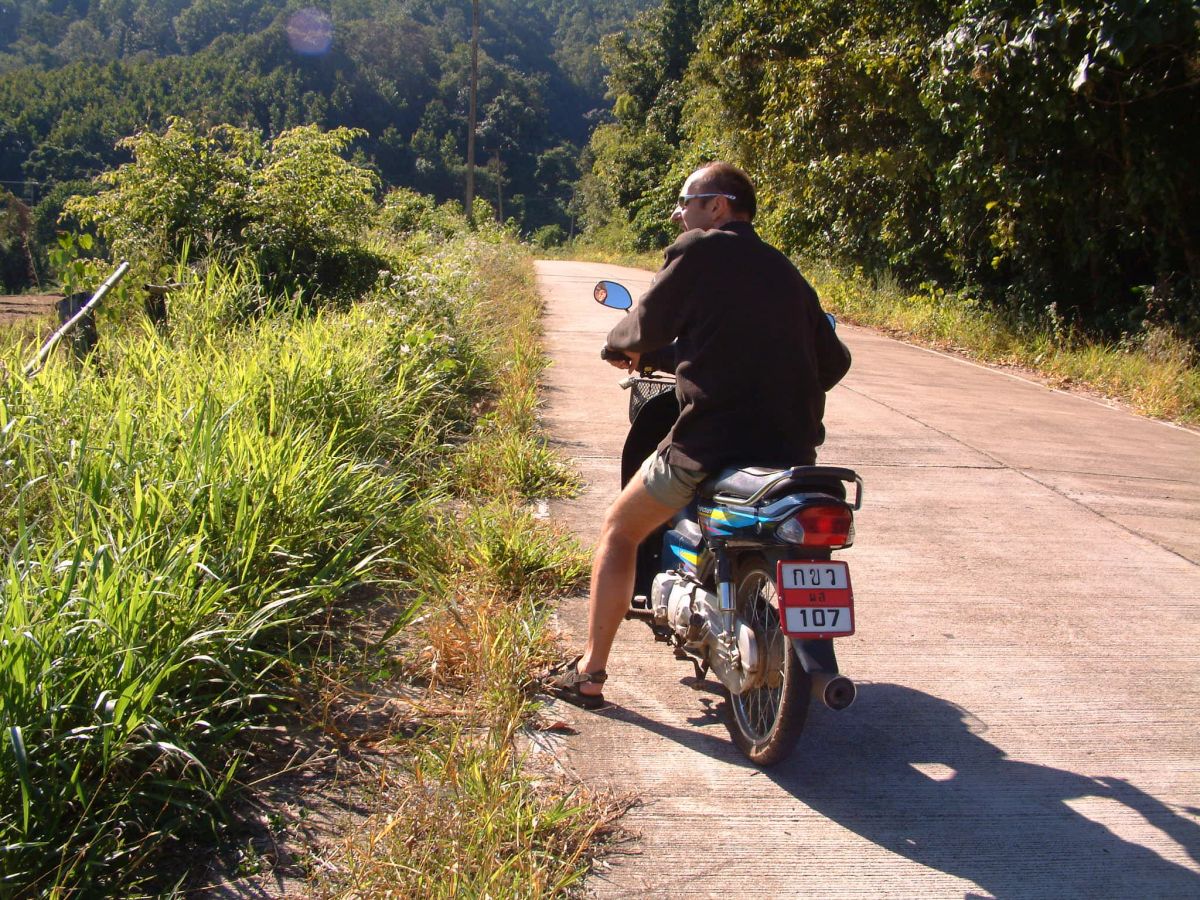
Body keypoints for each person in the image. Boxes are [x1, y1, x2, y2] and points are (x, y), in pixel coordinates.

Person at [543, 161, 851, 709]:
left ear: (719, 204)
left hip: (710, 444)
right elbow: (833, 361)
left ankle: (589, 673)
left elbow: (644, 323)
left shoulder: (700, 251)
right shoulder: (787, 272)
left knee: (619, 529)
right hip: (790, 452)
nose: (678, 215)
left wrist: (621, 345)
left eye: (685, 202)